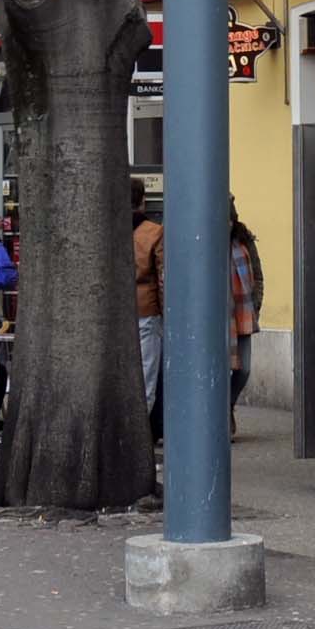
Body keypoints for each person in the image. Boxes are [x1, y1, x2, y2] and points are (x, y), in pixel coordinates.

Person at [132, 183, 166, 441]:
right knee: (146, 376)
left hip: (114, 315)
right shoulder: (154, 232)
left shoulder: (107, 230)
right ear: (142, 201)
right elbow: (163, 277)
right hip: (146, 307)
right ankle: (139, 435)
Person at [228, 206, 265, 435]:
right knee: (222, 370)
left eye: (230, 219)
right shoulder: (206, 239)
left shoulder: (243, 240)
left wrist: (256, 304)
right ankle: (222, 415)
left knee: (244, 369)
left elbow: (258, 275)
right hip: (218, 318)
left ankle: (228, 405)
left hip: (243, 314)